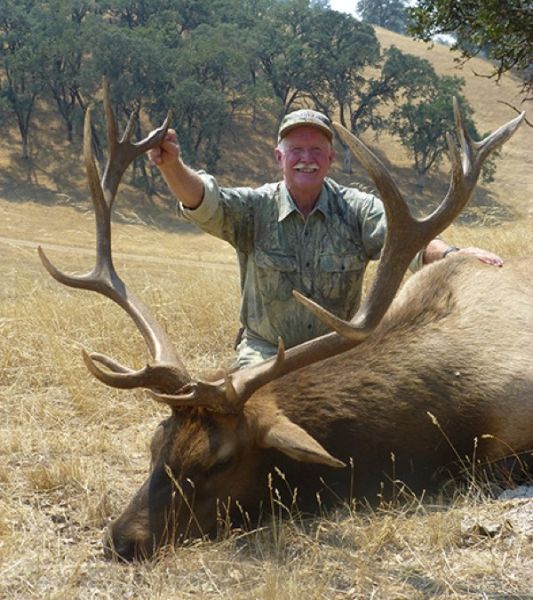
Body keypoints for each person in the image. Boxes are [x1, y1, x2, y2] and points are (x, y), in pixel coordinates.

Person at [149, 109, 503, 367]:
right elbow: (204, 202)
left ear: (331, 158)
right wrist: (171, 166)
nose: (307, 159)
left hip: (339, 354)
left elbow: (408, 242)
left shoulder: (358, 209)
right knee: (245, 424)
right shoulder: (255, 208)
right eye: (296, 150)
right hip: (266, 354)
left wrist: (452, 255)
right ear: (279, 157)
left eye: (317, 150)